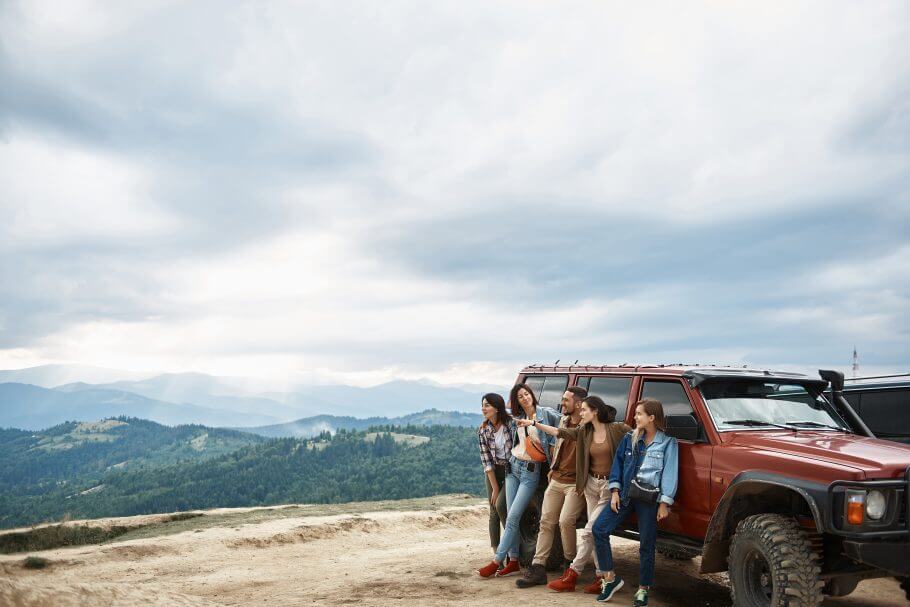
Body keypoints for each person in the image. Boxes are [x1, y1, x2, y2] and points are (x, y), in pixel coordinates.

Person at [517, 395, 631, 593]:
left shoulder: (616, 429)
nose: (582, 413)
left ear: (595, 411)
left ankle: (574, 572)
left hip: (609, 487)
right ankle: (600, 576)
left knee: (589, 531)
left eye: (585, 410)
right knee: (594, 532)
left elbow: (637, 436)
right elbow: (559, 432)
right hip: (590, 486)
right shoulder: (584, 431)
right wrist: (534, 423)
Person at [593, 398, 679, 606]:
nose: (635, 417)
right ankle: (610, 579)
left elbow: (669, 473)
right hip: (625, 495)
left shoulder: (668, 443)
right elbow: (618, 465)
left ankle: (643, 588)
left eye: (639, 414)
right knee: (599, 529)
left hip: (649, 499)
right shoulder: (629, 438)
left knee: (646, 544)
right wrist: (614, 491)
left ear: (651, 417)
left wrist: (664, 503)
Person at [478, 383, 562, 578]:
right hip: (512, 467)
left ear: (532, 395)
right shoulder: (517, 420)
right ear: (516, 402)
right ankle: (513, 560)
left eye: (526, 394)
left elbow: (565, 427)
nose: (524, 398)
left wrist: (554, 466)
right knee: (506, 511)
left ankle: (496, 561)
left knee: (514, 516)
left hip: (530, 472)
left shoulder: (546, 414)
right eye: (520, 396)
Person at [514, 386, 588, 589]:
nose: (562, 403)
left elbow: (559, 433)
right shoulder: (563, 418)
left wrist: (534, 423)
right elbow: (557, 442)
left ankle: (570, 565)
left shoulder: (587, 424)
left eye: (566, 400)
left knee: (565, 521)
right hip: (557, 478)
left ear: (579, 404)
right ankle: (538, 568)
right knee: (546, 521)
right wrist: (553, 465)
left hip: (575, 482)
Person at [477, 393, 512, 555]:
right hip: (493, 472)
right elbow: (487, 463)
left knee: (501, 506)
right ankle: (496, 552)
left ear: (497, 408)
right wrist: (495, 488)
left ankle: (510, 549)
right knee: (493, 510)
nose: (483, 409)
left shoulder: (510, 425)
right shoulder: (483, 430)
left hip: (511, 470)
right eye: (483, 405)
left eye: (487, 405)